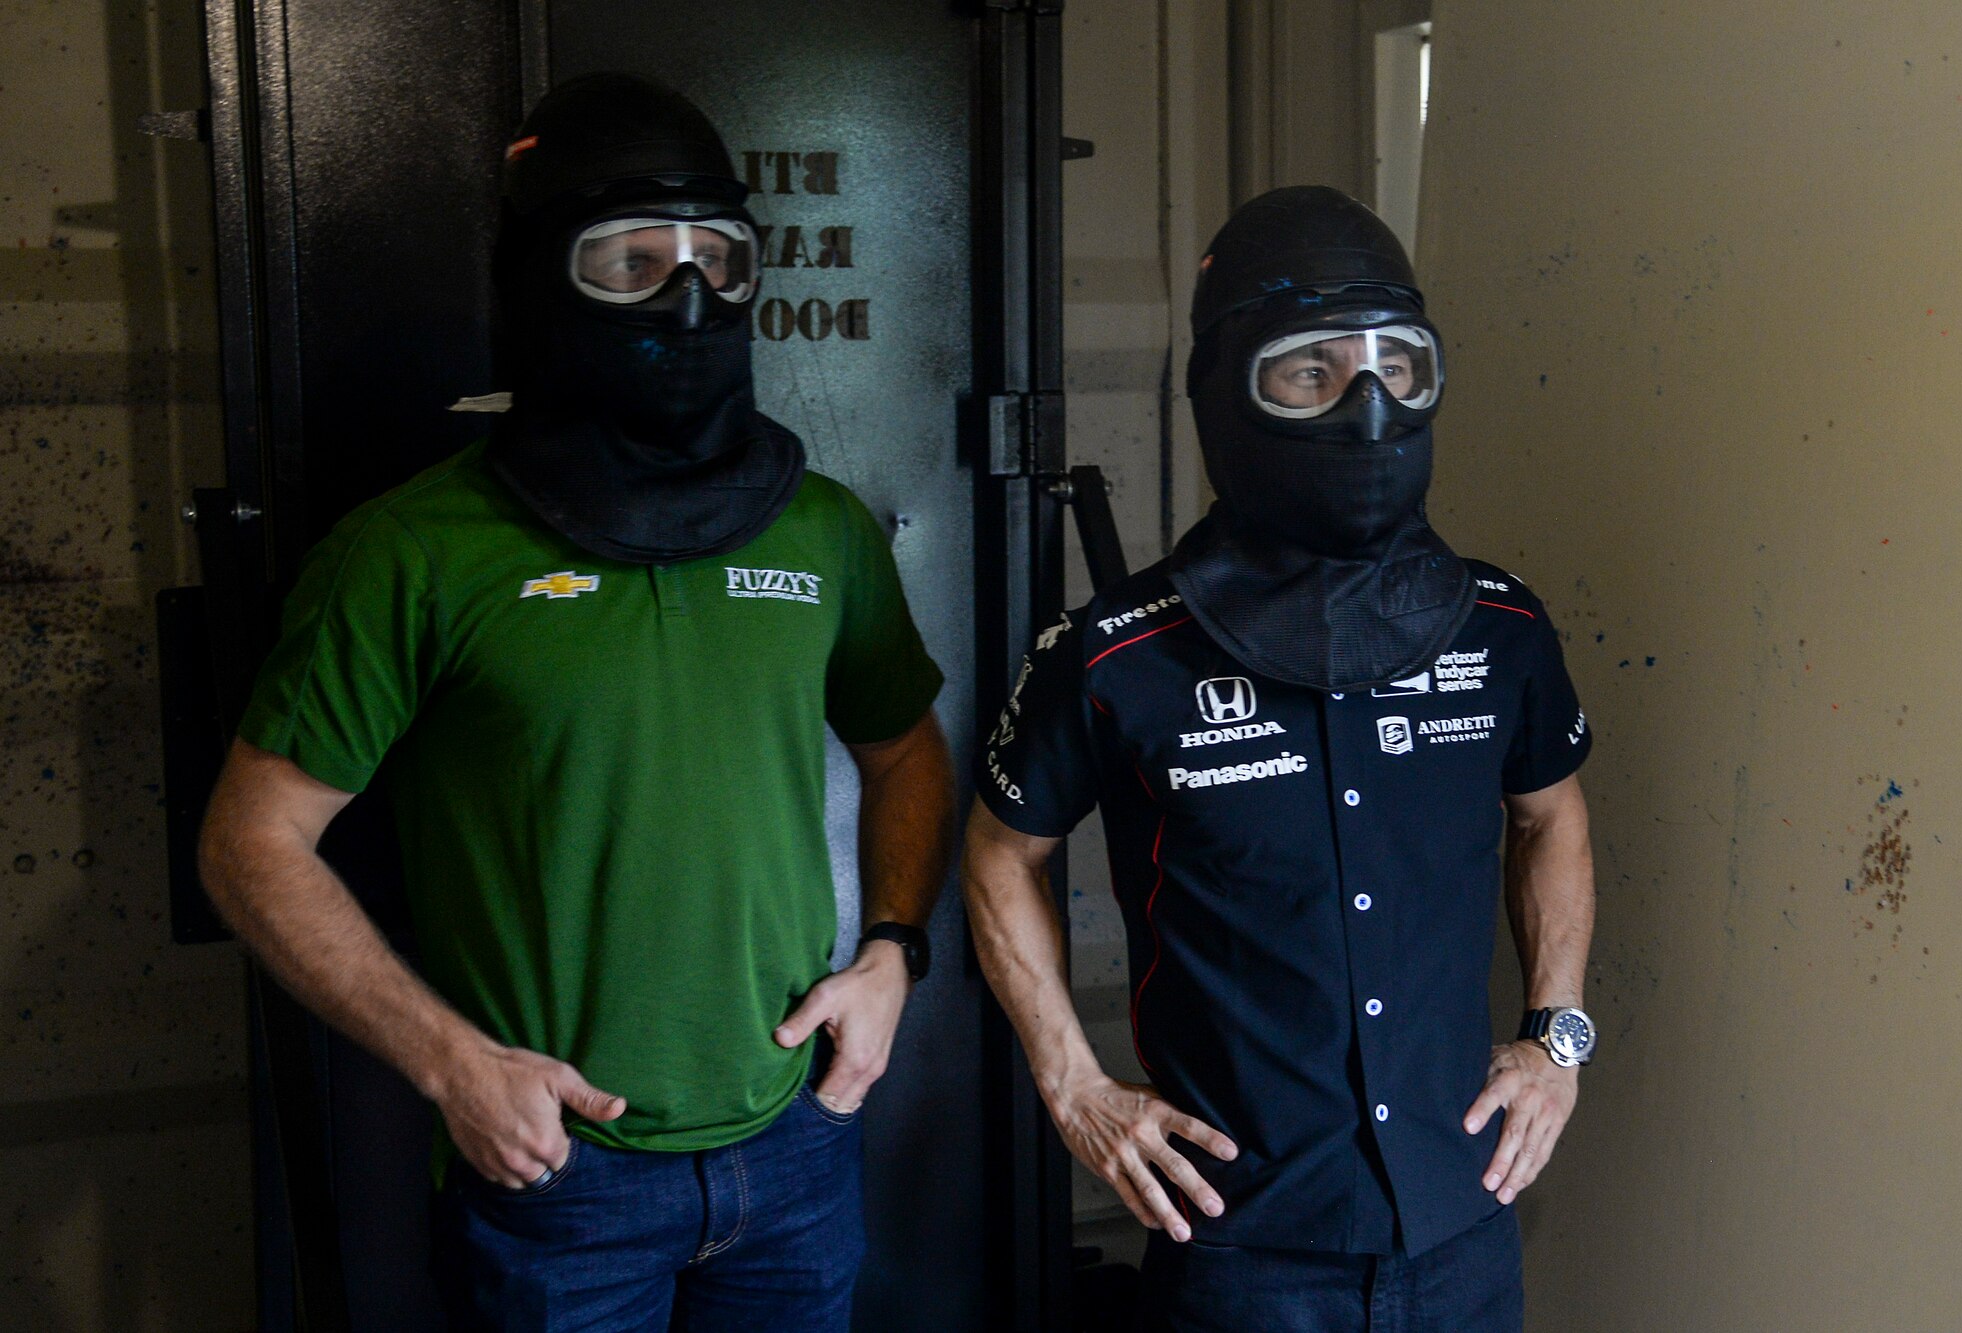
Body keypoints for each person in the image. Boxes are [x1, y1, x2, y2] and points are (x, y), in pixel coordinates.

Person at [198, 73, 953, 1332]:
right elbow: (249, 841)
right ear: (543, 278)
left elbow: (905, 749)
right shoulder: (415, 551)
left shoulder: (819, 531)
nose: (687, 295)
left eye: (716, 257)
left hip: (796, 1146)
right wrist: (452, 1064)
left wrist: (892, 953)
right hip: (558, 1179)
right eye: (631, 262)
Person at [964, 185, 1598, 1331]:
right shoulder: (1113, 654)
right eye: (1310, 371)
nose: (1367, 404)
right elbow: (1000, 852)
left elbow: (1548, 815)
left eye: (1396, 366)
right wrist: (1070, 1082)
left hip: (1462, 1224)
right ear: (1226, 390)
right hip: (1240, 1250)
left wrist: (1557, 1036)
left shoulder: (1501, 628)